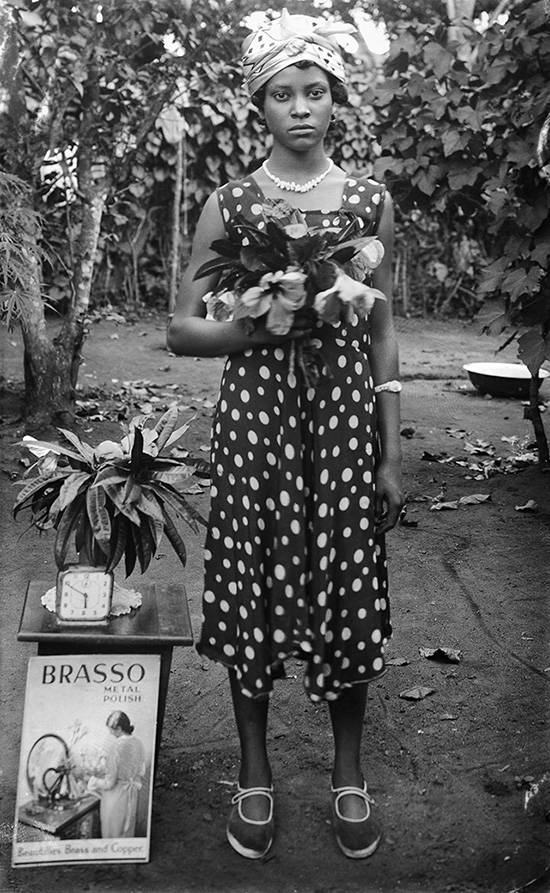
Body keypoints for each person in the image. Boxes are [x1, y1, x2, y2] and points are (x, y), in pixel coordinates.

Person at [167, 9, 403, 861]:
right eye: (281, 94)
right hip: (260, 419)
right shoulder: (230, 202)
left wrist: (391, 450)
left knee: (346, 578)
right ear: (258, 107)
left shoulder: (371, 201)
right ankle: (255, 771)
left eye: (314, 92)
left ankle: (348, 772)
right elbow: (183, 329)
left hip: (341, 422)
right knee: (254, 581)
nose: (300, 107)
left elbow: (381, 335)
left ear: (336, 100)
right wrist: (257, 331)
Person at [87, 711, 146, 838]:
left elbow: (109, 783)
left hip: (116, 798)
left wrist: (93, 780)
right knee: (127, 833)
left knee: (113, 834)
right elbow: (140, 771)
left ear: (119, 729)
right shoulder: (139, 743)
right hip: (132, 795)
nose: (110, 733)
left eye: (111, 730)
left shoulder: (116, 747)